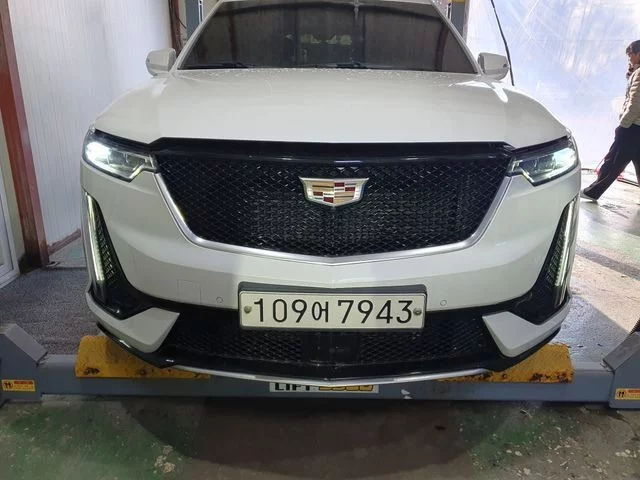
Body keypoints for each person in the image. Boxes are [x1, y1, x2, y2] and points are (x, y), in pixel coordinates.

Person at [581, 40, 640, 203]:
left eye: (631, 55)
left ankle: (592, 192)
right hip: (637, 128)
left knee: (613, 161)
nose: (629, 58)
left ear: (638, 54)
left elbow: (635, 104)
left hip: (632, 127)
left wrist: (623, 125)